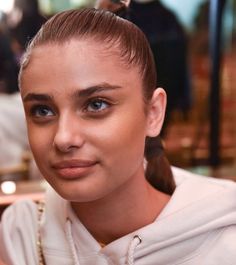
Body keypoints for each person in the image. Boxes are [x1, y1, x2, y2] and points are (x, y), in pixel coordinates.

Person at [0, 8, 236, 265]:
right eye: (42, 110)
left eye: (96, 104)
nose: (63, 138)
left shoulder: (225, 243)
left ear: (154, 114)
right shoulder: (20, 235)